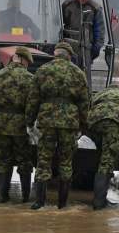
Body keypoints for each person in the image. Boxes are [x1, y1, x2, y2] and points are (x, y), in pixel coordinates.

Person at [27, 42, 89, 210]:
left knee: (44, 160)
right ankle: (62, 204)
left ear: (55, 54)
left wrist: (29, 120)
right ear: (69, 55)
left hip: (47, 120)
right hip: (69, 122)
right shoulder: (78, 73)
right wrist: (84, 124)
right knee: (66, 161)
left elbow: (33, 99)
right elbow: (84, 102)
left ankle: (39, 202)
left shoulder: (43, 70)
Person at [0, 46, 37, 203]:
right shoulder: (30, 79)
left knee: (3, 159)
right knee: (24, 160)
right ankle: (25, 197)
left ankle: (4, 197)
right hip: (21, 124)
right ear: (23, 59)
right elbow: (34, 103)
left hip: (1, 123)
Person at [87, 84, 119, 210]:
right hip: (113, 122)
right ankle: (99, 203)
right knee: (107, 162)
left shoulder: (97, 96)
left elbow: (86, 110)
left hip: (93, 123)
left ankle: (93, 190)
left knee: (99, 155)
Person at [62, 0, 105, 64]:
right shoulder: (67, 6)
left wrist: (93, 52)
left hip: (87, 50)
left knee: (84, 74)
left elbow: (99, 32)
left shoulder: (95, 8)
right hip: (68, 50)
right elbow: (58, 24)